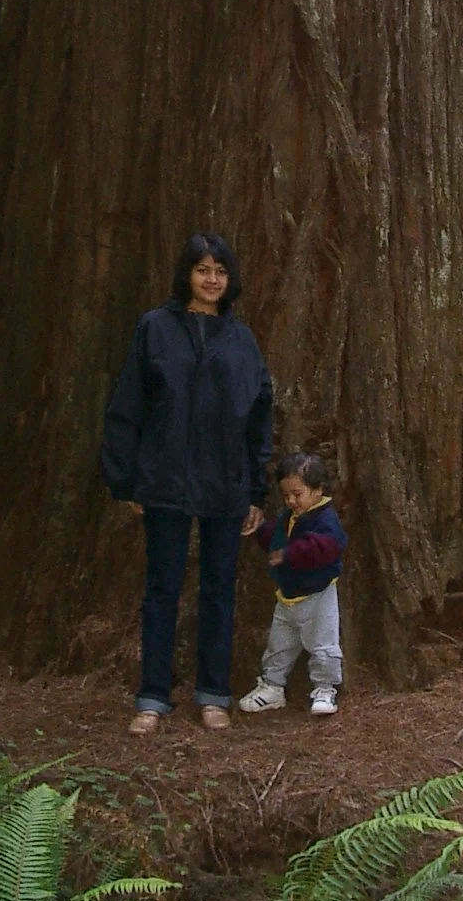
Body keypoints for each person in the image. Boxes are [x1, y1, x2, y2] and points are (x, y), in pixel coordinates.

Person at [100, 233, 273, 734]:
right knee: (162, 589)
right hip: (164, 480)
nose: (211, 278)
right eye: (202, 269)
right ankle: (152, 697)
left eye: (220, 270)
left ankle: (214, 693)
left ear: (230, 279)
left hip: (225, 484)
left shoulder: (241, 341)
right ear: (187, 275)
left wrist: (255, 491)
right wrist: (127, 480)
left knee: (219, 589)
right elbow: (127, 404)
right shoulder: (155, 329)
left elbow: (259, 415)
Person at [238, 450, 347, 717]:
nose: (290, 501)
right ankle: (272, 686)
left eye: (297, 494)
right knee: (278, 645)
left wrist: (288, 554)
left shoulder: (326, 520)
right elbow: (276, 537)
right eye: (286, 495)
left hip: (318, 597)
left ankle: (324, 688)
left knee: (323, 646)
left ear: (318, 489)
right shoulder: (290, 517)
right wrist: (260, 530)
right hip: (287, 597)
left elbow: (325, 548)